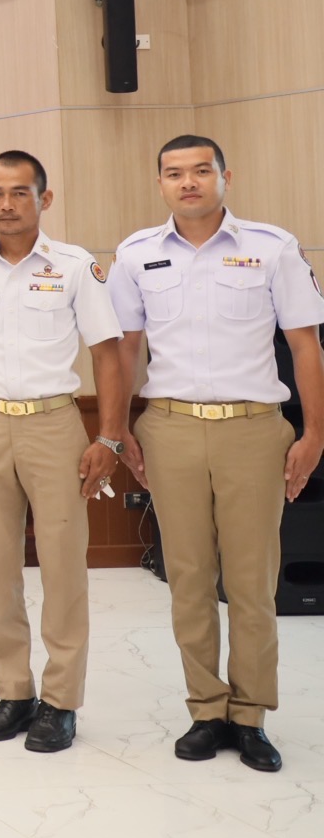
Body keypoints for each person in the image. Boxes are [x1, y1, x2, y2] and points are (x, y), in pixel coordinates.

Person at [109, 135, 324, 774]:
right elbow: (123, 350)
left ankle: (251, 715)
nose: (189, 182)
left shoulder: (273, 248)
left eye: (202, 171)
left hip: (253, 431)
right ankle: (206, 708)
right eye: (175, 173)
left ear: (226, 176)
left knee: (253, 582)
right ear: (160, 184)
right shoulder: (135, 256)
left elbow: (307, 346)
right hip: (169, 429)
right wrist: (118, 431)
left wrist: (313, 434)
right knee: (189, 579)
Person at [0, 150, 127, 754]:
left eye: (19, 192)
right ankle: (13, 693)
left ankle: (61, 701)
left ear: (44, 199)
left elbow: (107, 354)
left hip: (53, 427)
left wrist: (110, 437)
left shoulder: (74, 267)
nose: (6, 203)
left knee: (64, 567)